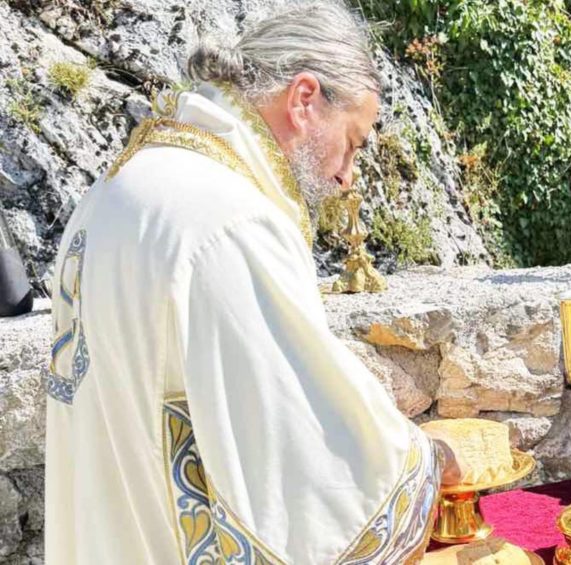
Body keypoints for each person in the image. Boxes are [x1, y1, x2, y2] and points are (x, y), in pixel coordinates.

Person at [44, 3, 466, 563]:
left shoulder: (127, 184)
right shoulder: (228, 220)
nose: (348, 174)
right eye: (354, 141)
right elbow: (298, 445)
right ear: (304, 99)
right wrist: (425, 465)